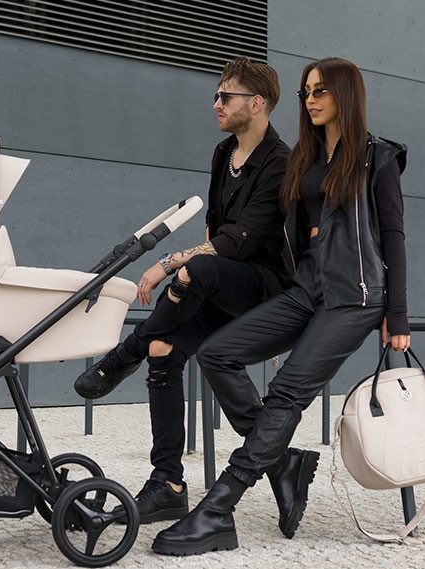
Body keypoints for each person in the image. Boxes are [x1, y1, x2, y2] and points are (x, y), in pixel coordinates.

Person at [152, 56, 410, 556]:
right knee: (218, 354)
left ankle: (218, 508)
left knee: (286, 392)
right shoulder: (306, 160)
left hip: (354, 296)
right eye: (305, 92)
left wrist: (396, 314)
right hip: (306, 288)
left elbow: (394, 236)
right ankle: (283, 462)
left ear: (346, 95)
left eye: (321, 91)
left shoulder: (377, 157)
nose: (310, 100)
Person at [75, 57, 320, 536]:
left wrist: (169, 263)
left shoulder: (281, 161)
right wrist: (189, 272)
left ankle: (124, 354)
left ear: (257, 103)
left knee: (197, 269)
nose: (216, 104)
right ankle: (168, 482)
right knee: (163, 349)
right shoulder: (223, 153)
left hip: (265, 287)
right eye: (216, 95)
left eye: (225, 96)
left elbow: (241, 240)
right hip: (220, 281)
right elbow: (215, 229)